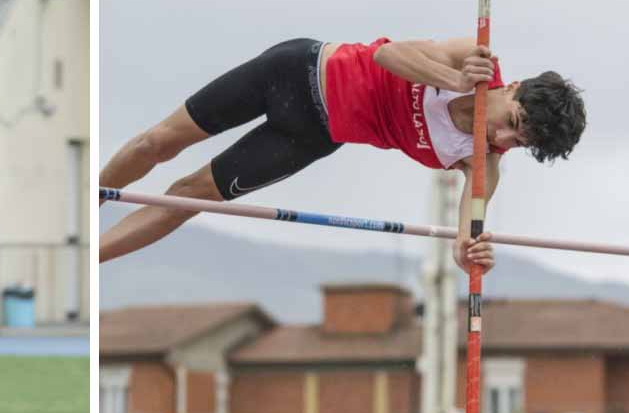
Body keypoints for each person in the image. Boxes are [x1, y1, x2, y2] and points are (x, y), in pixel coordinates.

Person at [99, 37, 587, 273]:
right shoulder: (474, 61)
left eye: (517, 143)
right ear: (513, 88)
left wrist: (467, 251)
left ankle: (91, 258)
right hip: (295, 71)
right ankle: (87, 204)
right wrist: (456, 81)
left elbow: (467, 230)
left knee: (190, 198)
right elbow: (387, 56)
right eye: (514, 123)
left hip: (311, 134)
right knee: (156, 143)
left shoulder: (480, 163)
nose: (502, 138)